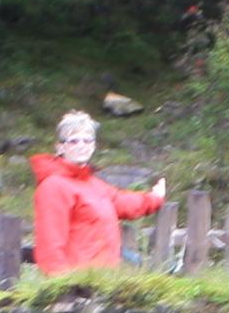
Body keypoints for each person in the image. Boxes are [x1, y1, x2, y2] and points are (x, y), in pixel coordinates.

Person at [30, 109, 165, 272]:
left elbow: (123, 202)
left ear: (94, 145)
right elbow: (50, 245)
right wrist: (63, 288)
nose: (81, 146)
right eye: (73, 141)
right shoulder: (53, 187)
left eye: (87, 141)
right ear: (60, 147)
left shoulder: (94, 184)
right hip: (76, 286)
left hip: (103, 282)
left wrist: (154, 198)